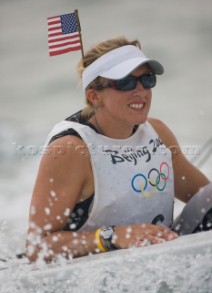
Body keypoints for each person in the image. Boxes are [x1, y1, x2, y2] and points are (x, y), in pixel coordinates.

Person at [26, 36, 211, 263]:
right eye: (125, 82)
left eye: (147, 79)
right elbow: (36, 247)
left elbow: (204, 197)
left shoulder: (158, 132)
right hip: (96, 275)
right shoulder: (71, 150)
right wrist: (112, 236)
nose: (140, 91)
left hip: (163, 259)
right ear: (94, 97)